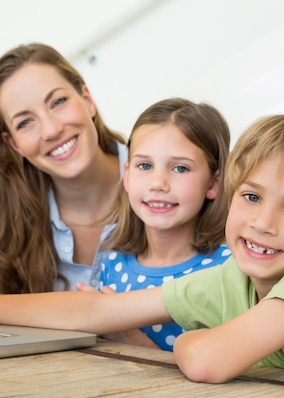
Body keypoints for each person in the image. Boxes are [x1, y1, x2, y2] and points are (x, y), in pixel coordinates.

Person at [0, 114, 284, 385]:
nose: (262, 223)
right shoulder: (232, 277)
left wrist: (188, 341)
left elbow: (205, 361)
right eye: (251, 197)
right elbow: (94, 312)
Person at [0, 43, 126, 294]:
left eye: (58, 102)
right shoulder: (3, 225)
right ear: (14, 144)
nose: (51, 130)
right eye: (25, 122)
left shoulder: (170, 181)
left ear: (87, 100)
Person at [83, 98, 231, 351]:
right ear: (127, 176)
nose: (158, 183)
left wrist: (125, 333)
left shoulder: (227, 271)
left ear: (213, 183)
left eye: (181, 168)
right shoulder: (111, 258)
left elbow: (214, 366)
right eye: (145, 165)